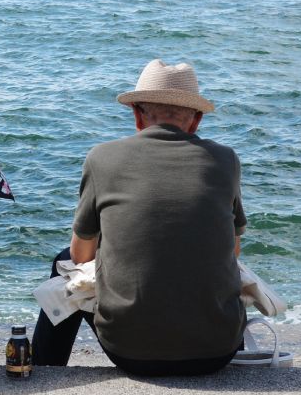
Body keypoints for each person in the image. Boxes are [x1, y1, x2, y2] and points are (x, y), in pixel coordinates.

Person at [31, 59, 246, 376]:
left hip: (130, 351)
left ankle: (44, 370)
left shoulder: (102, 157)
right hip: (216, 352)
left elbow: (80, 256)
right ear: (196, 120)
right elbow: (235, 249)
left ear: (136, 115)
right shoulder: (224, 159)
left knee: (63, 261)